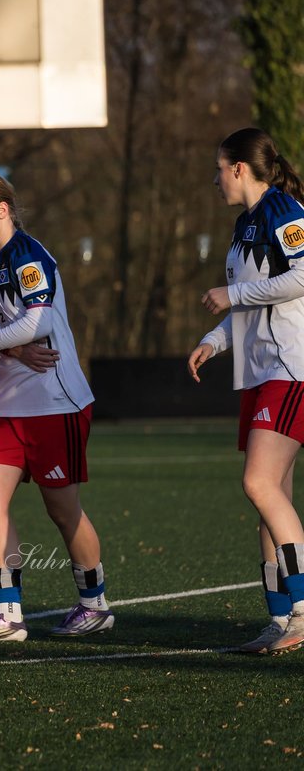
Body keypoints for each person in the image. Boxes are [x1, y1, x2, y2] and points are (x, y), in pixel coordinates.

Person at [0, 170, 108, 642]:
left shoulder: (29, 256)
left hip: (56, 402)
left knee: (63, 510)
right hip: (10, 404)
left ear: (2, 209)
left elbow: (36, 322)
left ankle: (94, 604)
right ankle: (8, 614)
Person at [188, 127, 304, 654]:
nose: (215, 179)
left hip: (290, 368)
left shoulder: (284, 209)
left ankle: (302, 611)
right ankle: (280, 620)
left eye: (219, 168)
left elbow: (302, 276)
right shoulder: (243, 226)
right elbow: (246, 306)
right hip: (258, 373)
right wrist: (214, 341)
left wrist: (232, 292)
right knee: (269, 498)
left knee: (258, 483)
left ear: (239, 168)